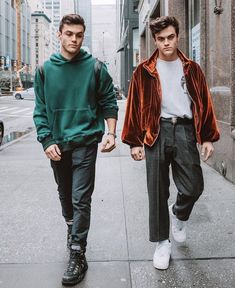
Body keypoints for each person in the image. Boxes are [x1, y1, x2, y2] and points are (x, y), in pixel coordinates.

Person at [121, 16, 220, 270]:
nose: (166, 43)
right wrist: (134, 141)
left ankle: (179, 214)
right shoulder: (144, 70)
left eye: (171, 37)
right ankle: (162, 242)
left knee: (194, 186)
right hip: (155, 131)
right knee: (157, 190)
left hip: (185, 130)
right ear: (155, 40)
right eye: (161, 39)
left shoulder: (192, 68)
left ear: (178, 36)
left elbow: (204, 103)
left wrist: (207, 136)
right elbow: (133, 106)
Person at [33, 14, 118, 286]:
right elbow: (40, 112)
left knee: (81, 198)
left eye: (79, 35)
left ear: (83, 36)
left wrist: (111, 133)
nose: (74, 39)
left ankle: (78, 252)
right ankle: (72, 229)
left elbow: (109, 103)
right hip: (58, 144)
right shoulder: (45, 70)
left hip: (85, 143)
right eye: (69, 33)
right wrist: (46, 141)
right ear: (59, 34)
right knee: (65, 194)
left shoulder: (95, 67)